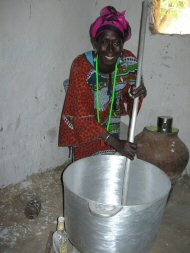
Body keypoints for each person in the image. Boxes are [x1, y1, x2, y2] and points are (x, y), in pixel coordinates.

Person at [59, 6, 147, 161]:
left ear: (122, 45)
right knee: (85, 169)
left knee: (108, 165)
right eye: (104, 42)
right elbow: (81, 116)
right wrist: (116, 144)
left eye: (117, 43)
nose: (111, 50)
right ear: (95, 43)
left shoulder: (129, 62)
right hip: (83, 129)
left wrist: (134, 93)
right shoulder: (82, 66)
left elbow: (128, 95)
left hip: (111, 124)